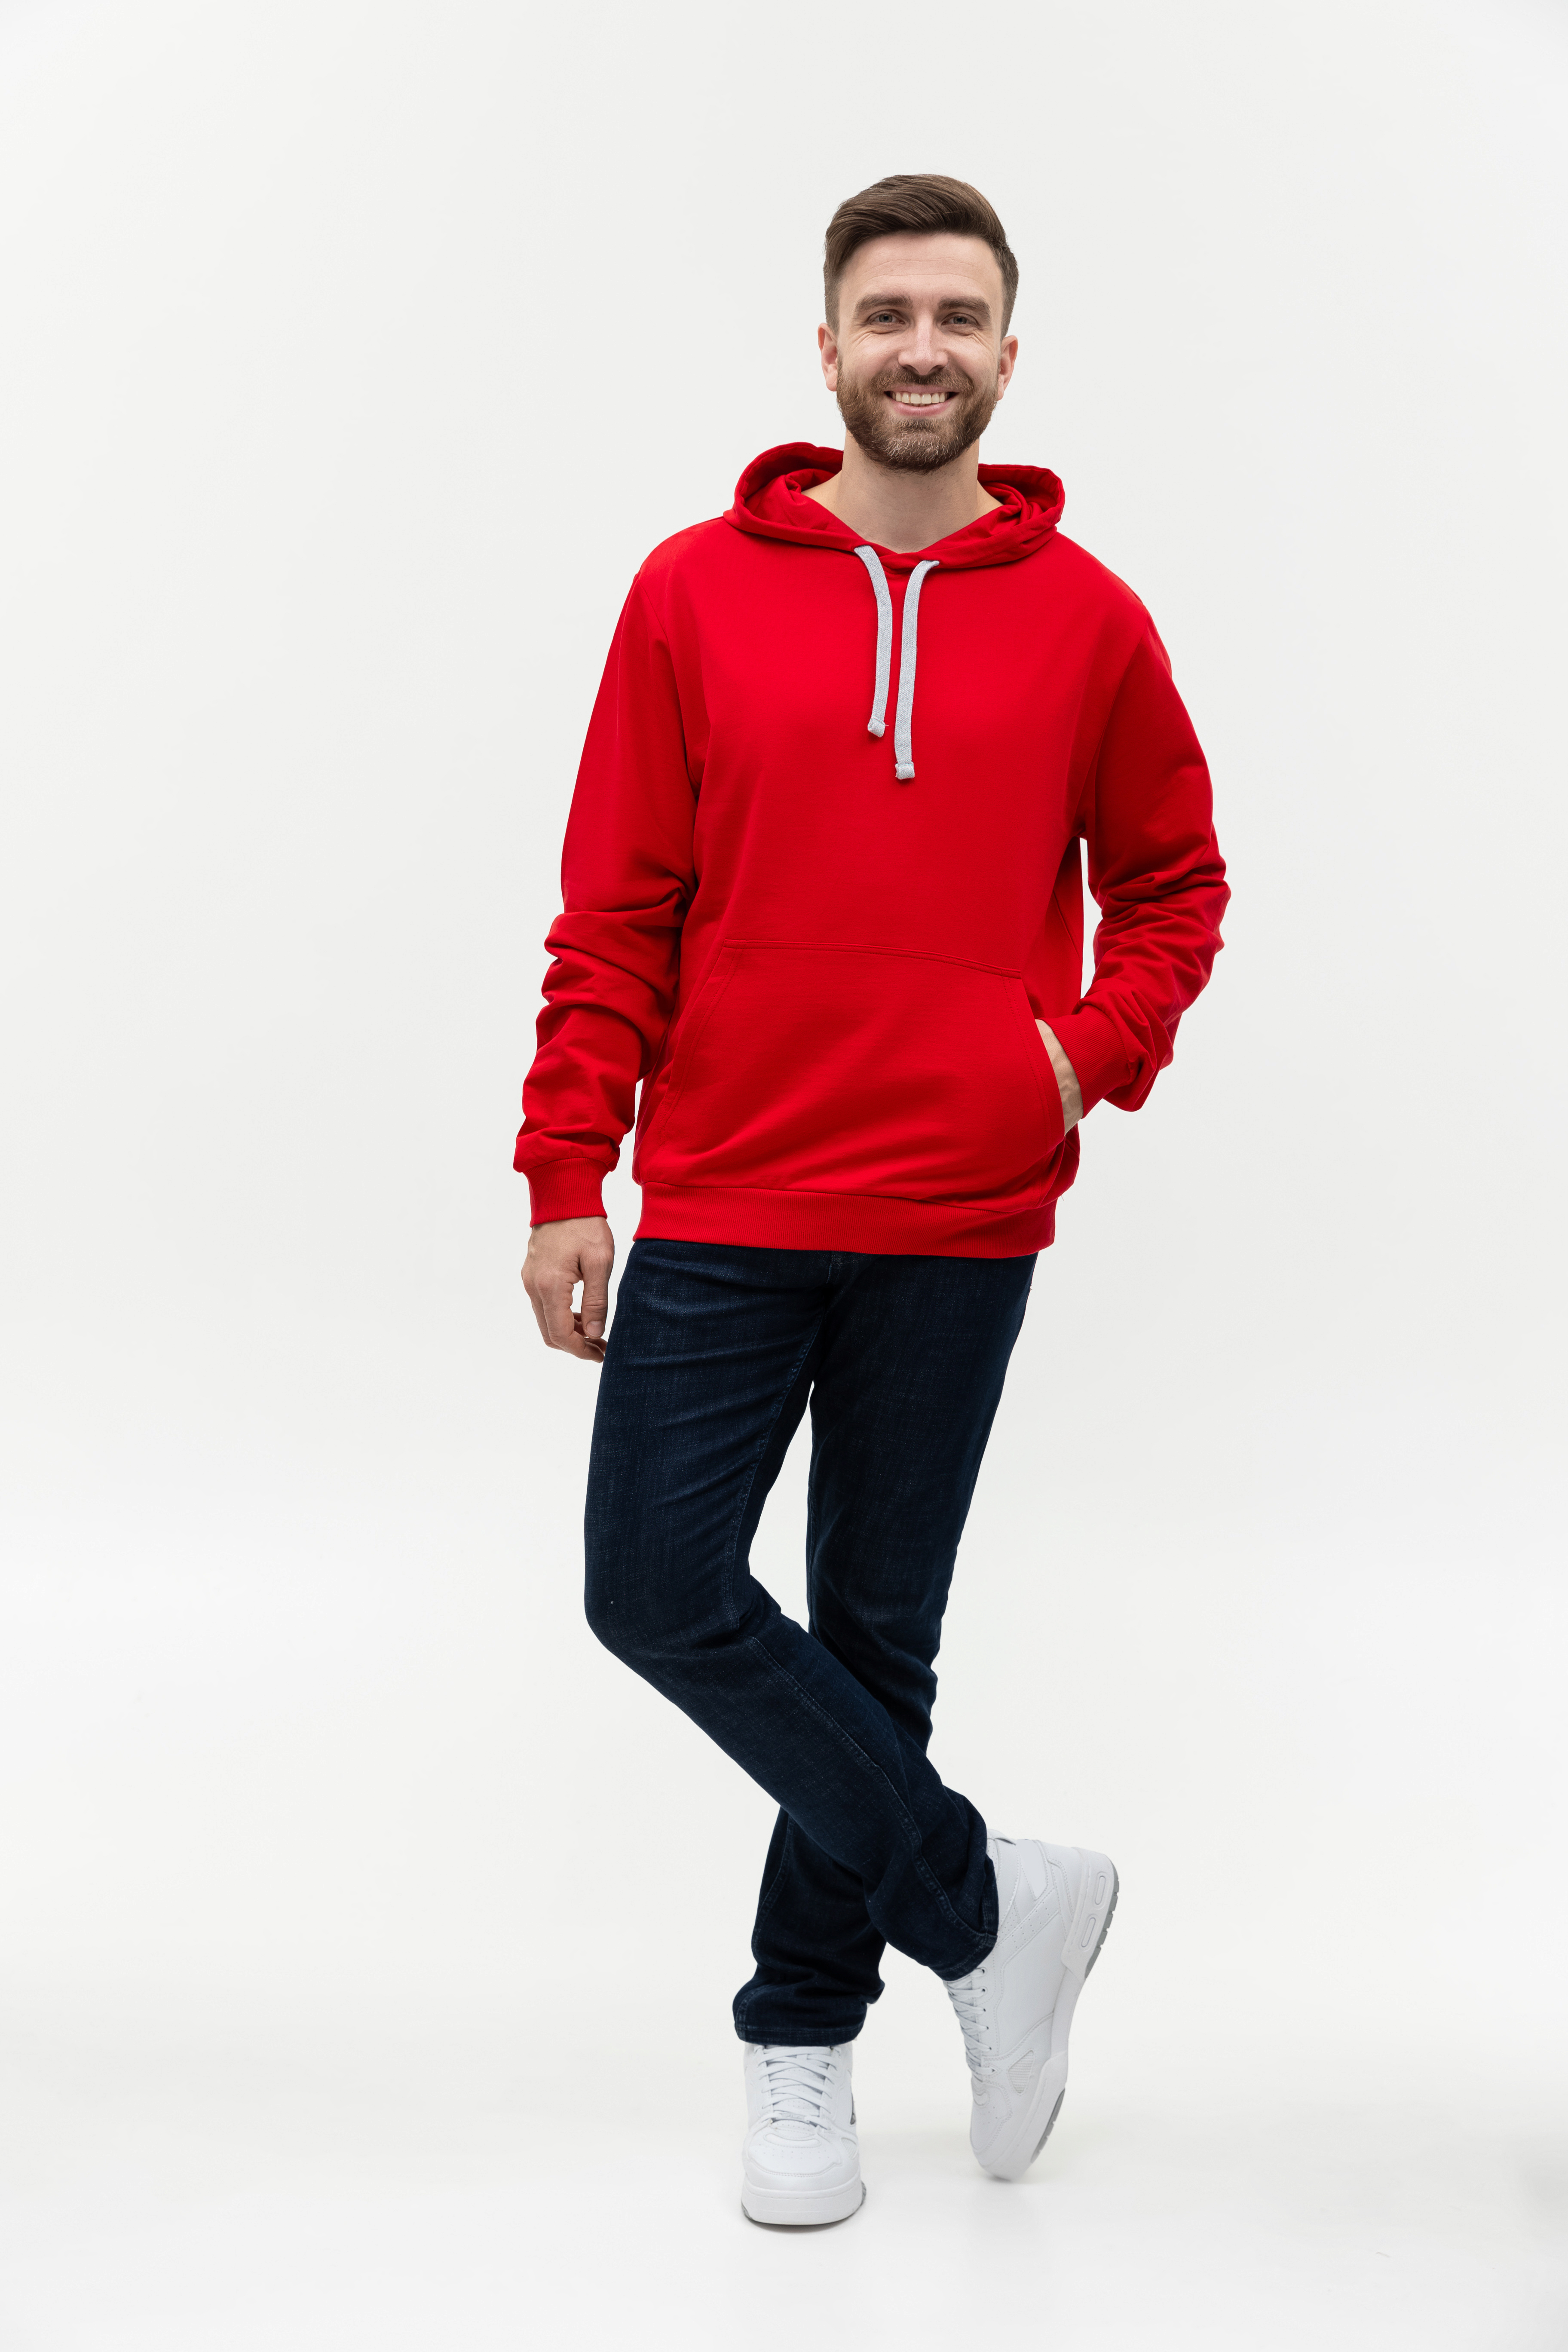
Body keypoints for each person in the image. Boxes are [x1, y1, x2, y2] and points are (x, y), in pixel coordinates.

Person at [517, 173, 1227, 2226]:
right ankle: (992, 1901)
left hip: (960, 1209)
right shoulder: (690, 592)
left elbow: (1175, 884)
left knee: (873, 1633)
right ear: (827, 347)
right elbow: (617, 905)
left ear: (1008, 353)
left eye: (960, 316)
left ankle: (803, 2038)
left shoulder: (1091, 621)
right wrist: (569, 1161)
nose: (925, 348)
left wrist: (1072, 1060)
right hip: (728, 1184)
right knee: (654, 1586)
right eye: (890, 313)